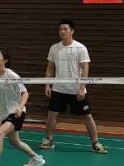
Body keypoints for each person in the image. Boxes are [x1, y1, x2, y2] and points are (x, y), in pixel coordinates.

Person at [40, 19, 107, 154]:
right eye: (60, 29)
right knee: (51, 115)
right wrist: (47, 84)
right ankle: (49, 140)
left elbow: (85, 70)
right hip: (58, 89)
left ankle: (95, 143)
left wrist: (82, 88)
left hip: (76, 90)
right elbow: (50, 68)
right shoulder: (54, 48)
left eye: (65, 29)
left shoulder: (80, 48)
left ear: (72, 31)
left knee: (87, 116)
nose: (62, 31)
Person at [0, 48, 45, 166]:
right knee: (15, 142)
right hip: (4, 114)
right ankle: (36, 158)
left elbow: (25, 93)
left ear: (5, 60)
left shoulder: (12, 76)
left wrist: (20, 107)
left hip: (17, 112)